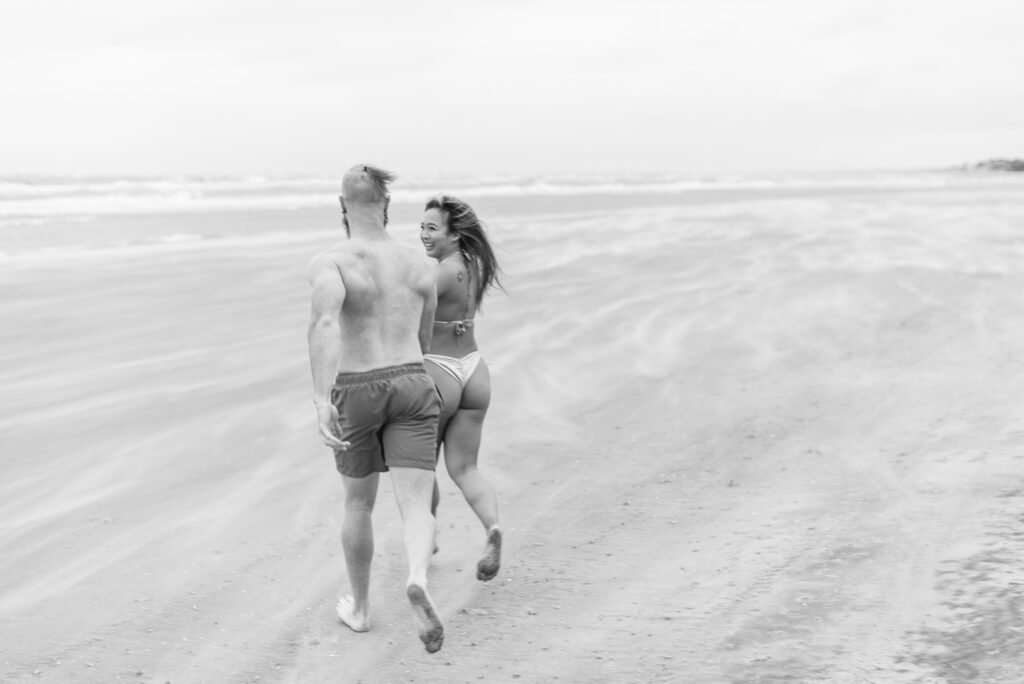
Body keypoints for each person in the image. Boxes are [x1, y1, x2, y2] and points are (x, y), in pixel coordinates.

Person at [307, 164, 444, 654]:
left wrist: (323, 399)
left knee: (359, 503)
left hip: (357, 386)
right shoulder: (419, 264)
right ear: (387, 207)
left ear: (342, 207)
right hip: (411, 378)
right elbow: (425, 335)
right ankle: (417, 577)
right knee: (414, 501)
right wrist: (411, 376)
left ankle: (361, 610)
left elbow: (325, 324)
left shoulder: (333, 261)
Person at [419, 195, 504, 582]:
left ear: (454, 235)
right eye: (422, 227)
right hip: (474, 370)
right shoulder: (474, 267)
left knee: (422, 468)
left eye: (432, 228)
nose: (424, 234)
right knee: (466, 467)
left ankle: (426, 539)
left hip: (439, 370)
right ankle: (492, 528)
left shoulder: (438, 274)